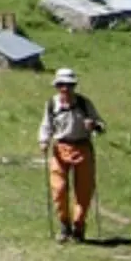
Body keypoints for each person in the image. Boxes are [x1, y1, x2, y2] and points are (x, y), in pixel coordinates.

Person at [38, 67, 105, 243]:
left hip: (83, 148)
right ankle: (64, 225)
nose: (65, 89)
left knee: (83, 191)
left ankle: (79, 227)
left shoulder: (84, 103)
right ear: (57, 86)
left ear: (74, 86)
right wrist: (44, 141)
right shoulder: (52, 104)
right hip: (60, 149)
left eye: (68, 85)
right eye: (61, 85)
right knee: (58, 189)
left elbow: (101, 125)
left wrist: (94, 127)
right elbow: (46, 125)